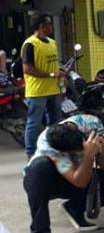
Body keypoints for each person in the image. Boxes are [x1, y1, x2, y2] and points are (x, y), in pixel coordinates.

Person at [22, 115, 104, 233]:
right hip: (48, 182)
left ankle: (74, 208)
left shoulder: (91, 124)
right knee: (40, 166)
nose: (77, 153)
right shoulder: (48, 142)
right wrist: (88, 155)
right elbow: (79, 182)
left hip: (80, 172)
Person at [21, 12, 63, 159]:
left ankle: (52, 150)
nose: (51, 26)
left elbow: (53, 64)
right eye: (49, 24)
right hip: (37, 92)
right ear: (41, 26)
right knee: (34, 124)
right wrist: (51, 74)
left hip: (54, 89)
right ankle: (31, 154)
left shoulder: (52, 43)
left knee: (55, 123)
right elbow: (27, 69)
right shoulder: (30, 44)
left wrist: (60, 74)